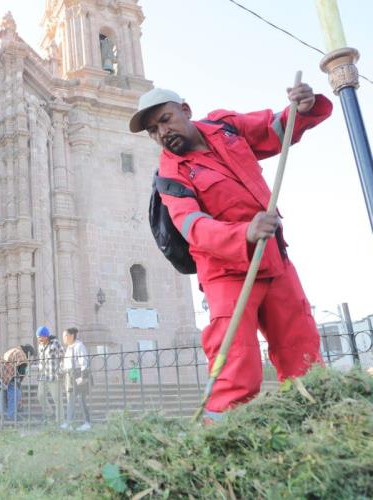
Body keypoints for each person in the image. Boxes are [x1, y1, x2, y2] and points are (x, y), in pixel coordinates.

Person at [129, 84, 332, 420]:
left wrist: (302, 109)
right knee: (235, 366)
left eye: (166, 120)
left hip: (274, 259)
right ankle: (218, 439)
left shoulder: (226, 126)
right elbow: (193, 227)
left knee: (302, 351)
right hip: (226, 273)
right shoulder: (170, 175)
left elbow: (275, 129)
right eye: (153, 130)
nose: (163, 133)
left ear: (186, 110)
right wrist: (244, 233)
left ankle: (316, 423)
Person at [0, 343, 35, 420]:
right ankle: (11, 416)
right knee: (15, 394)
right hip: (7, 376)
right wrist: (19, 382)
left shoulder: (14, 350)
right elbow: (21, 371)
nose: (29, 357)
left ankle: (11, 413)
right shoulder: (22, 355)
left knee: (14, 393)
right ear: (28, 353)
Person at [60, 327, 92, 431]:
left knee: (80, 399)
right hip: (69, 375)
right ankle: (69, 422)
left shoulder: (79, 346)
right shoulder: (69, 348)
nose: (63, 338)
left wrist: (83, 376)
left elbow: (84, 361)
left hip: (78, 374)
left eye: (65, 336)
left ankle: (87, 423)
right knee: (70, 399)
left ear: (71, 335)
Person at [35, 325, 65, 423]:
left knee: (57, 399)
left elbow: (63, 357)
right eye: (38, 337)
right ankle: (50, 413)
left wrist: (60, 371)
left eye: (40, 337)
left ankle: (60, 421)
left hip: (54, 375)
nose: (39, 339)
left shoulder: (55, 343)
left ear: (46, 336)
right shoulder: (40, 346)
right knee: (40, 396)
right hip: (43, 376)